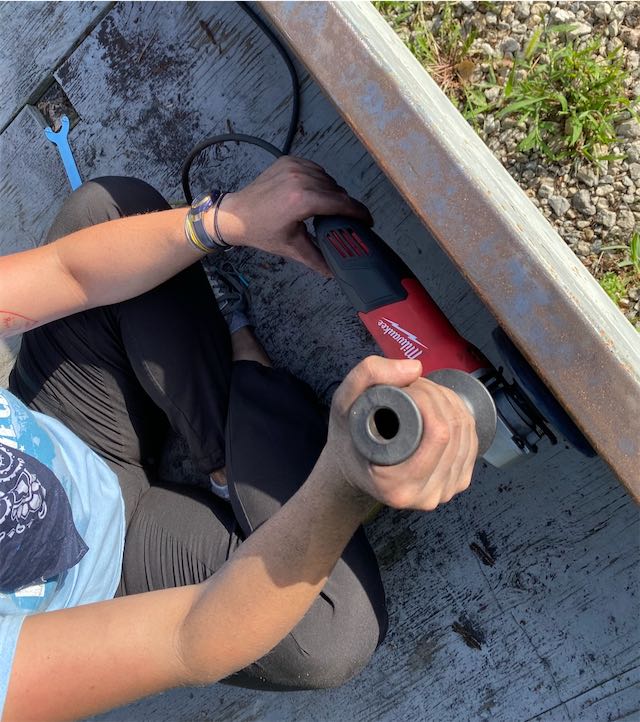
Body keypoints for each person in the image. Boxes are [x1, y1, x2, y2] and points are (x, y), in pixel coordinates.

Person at [0, 157, 478, 722]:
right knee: (327, 635)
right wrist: (343, 479)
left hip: (68, 423)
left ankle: (233, 464)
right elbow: (188, 637)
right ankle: (248, 387)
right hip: (108, 584)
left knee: (107, 207)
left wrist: (225, 220)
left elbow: (66, 271)